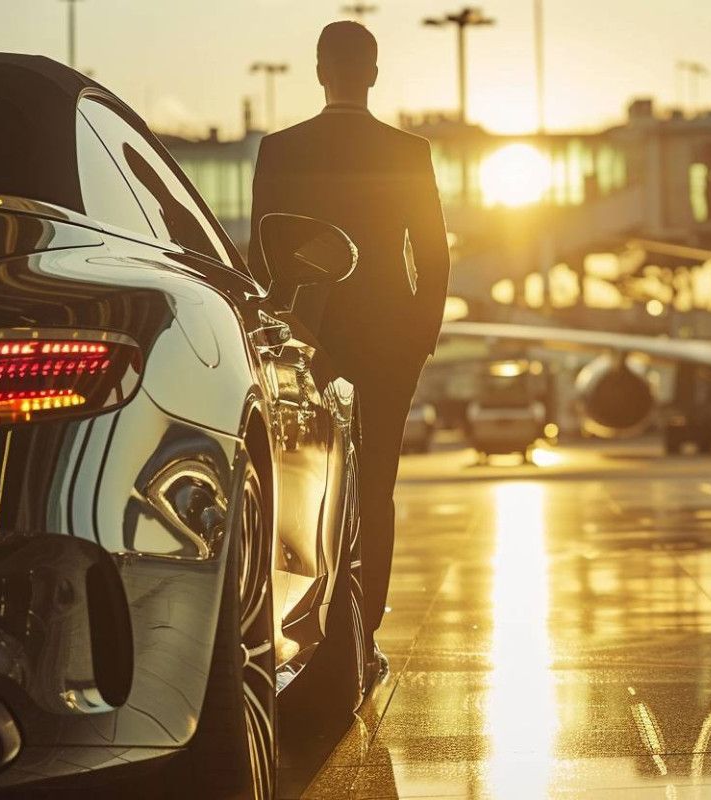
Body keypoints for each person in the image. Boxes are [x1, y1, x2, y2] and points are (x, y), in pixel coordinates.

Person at [249, 20, 451, 684]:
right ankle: (365, 638)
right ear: (370, 72)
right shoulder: (408, 150)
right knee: (375, 490)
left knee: (304, 487)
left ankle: (310, 626)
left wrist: (285, 331)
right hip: (390, 343)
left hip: (309, 340)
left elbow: (262, 257)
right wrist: (418, 339)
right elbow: (433, 257)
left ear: (318, 71)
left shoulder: (280, 149)